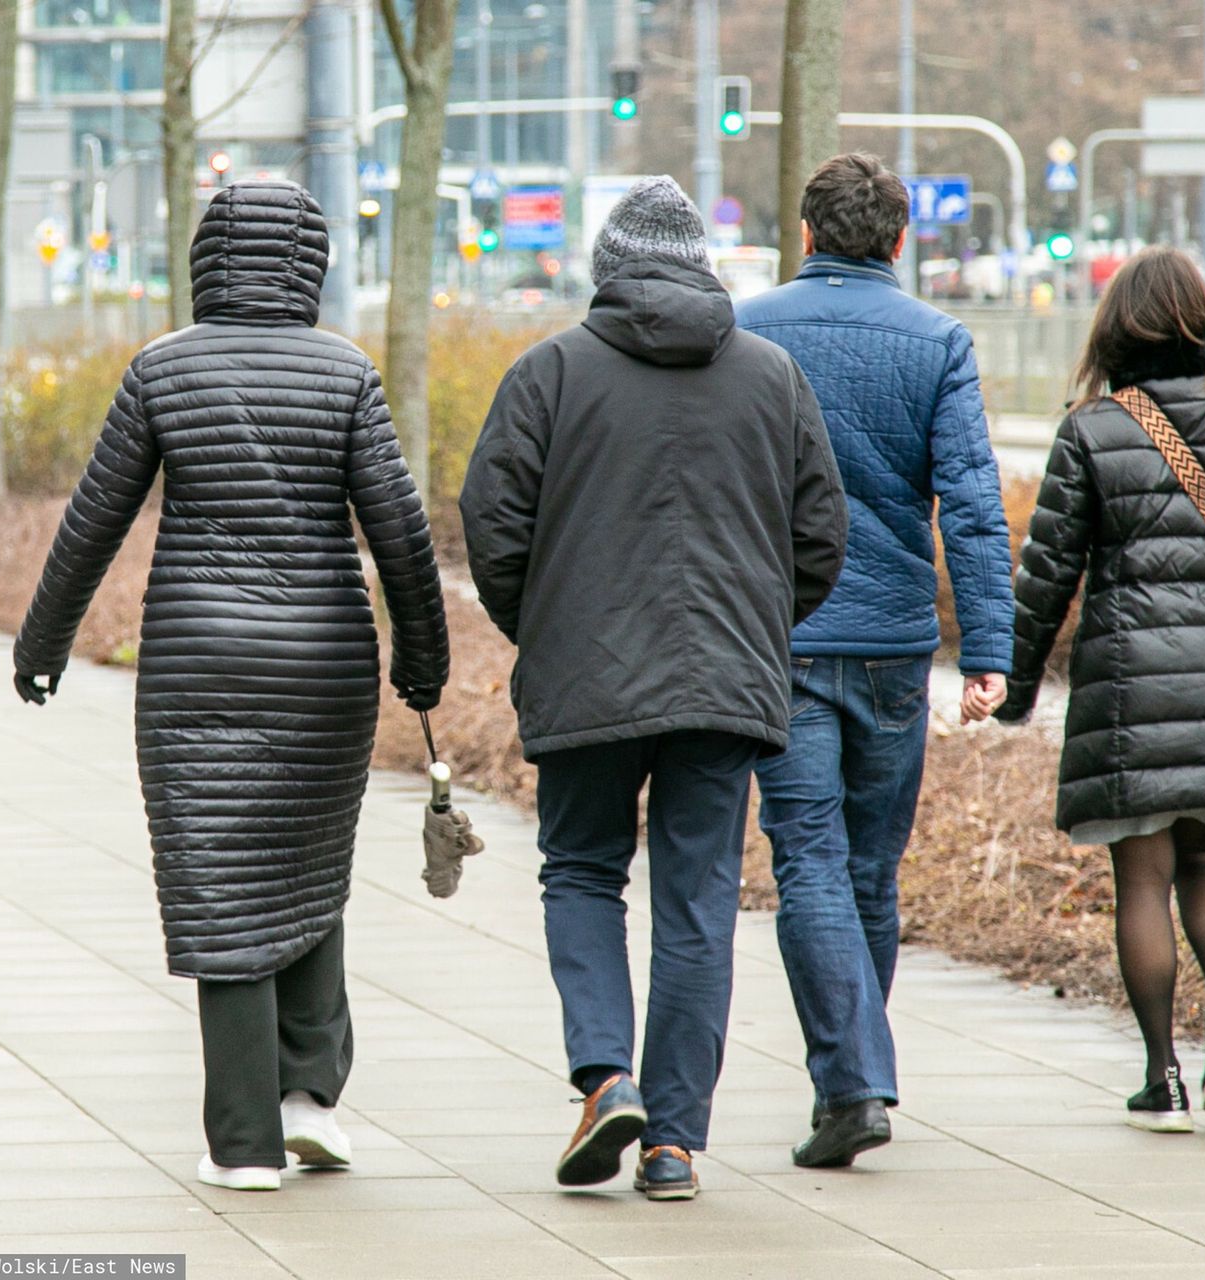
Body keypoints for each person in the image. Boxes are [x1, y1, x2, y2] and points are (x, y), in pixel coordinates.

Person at [12, 181, 449, 1193]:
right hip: (323, 664)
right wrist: (422, 663)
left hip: (196, 664)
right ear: (314, 260)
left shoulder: (163, 367)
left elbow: (93, 520)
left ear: (207, 256)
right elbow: (402, 533)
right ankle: (311, 1093)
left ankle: (245, 1139)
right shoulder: (346, 371)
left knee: (219, 876)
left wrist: (45, 642)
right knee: (306, 852)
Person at [459, 175, 847, 1202]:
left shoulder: (546, 374)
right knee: (698, 899)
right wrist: (759, 627)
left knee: (582, 869)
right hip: (726, 680)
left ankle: (606, 1075)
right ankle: (672, 1139)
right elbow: (820, 537)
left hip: (586, 671)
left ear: (607, 270)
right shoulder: (774, 378)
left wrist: (544, 626)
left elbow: (491, 529)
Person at [735, 152, 1015, 1168]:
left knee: (805, 856)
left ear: (806, 232)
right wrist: (989, 648)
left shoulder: (750, 330)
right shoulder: (939, 341)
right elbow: (974, 506)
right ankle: (850, 1075)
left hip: (787, 635)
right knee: (868, 869)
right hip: (896, 641)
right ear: (901, 239)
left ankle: (850, 1080)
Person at [998, 247, 1205, 1132]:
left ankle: (1161, 1076)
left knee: (1143, 875)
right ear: (1203, 323)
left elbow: (1046, 577)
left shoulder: (1092, 431)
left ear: (1114, 330)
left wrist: (1016, 690)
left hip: (1130, 692)